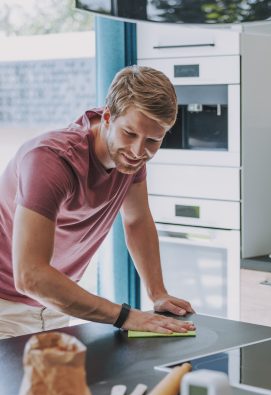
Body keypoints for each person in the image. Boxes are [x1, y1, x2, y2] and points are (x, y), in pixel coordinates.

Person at [0, 65, 196, 339]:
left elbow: (136, 220)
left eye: (153, 140)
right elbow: (30, 275)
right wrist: (126, 316)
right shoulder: (51, 160)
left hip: (54, 305)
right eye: (130, 133)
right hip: (5, 305)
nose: (139, 151)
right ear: (107, 117)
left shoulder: (129, 159)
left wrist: (158, 293)